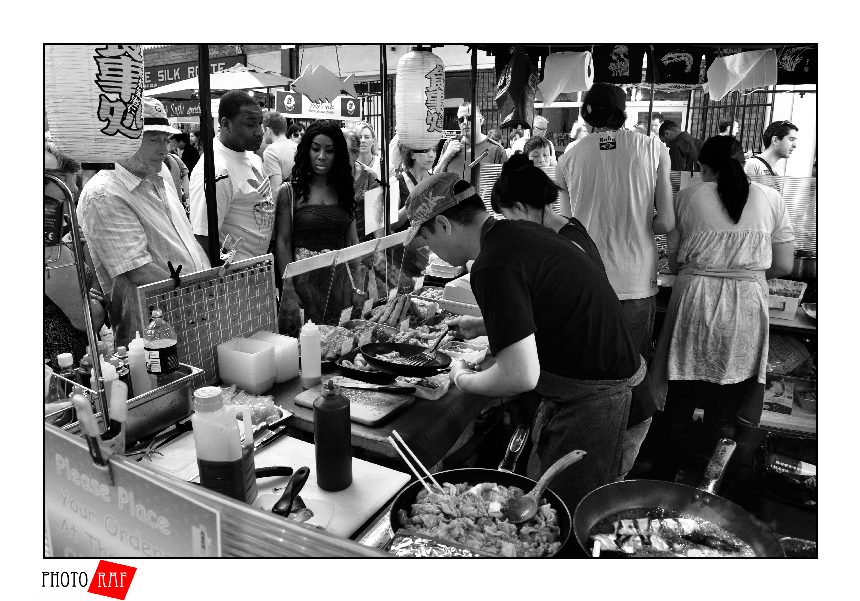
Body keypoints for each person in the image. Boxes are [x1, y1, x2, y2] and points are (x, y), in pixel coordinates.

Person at [403, 172, 645, 513]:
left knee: (562, 519)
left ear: (443, 225)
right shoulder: (518, 233)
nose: (431, 250)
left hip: (601, 406)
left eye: (427, 239)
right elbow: (552, 305)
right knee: (544, 508)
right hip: (605, 389)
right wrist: (487, 324)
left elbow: (519, 376)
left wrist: (460, 377)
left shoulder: (492, 264)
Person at [648, 136, 795, 481]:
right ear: (743, 163)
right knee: (723, 413)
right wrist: (745, 274)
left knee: (678, 405)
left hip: (693, 302)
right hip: (746, 307)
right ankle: (710, 485)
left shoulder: (685, 198)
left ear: (702, 166)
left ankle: (663, 479)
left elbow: (673, 262)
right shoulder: (772, 198)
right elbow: (784, 265)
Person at [556, 82, 675, 471]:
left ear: (585, 115)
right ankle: (617, 469)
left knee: (588, 379)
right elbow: (665, 221)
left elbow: (566, 226)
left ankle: (581, 466)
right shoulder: (654, 149)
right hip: (635, 281)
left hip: (584, 282)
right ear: (624, 113)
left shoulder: (569, 158)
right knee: (630, 376)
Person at [77, 97, 209, 350]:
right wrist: (196, 290)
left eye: (165, 139)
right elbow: (138, 270)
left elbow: (183, 242)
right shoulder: (104, 193)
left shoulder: (159, 180)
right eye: (153, 140)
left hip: (190, 315)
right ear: (124, 140)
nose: (164, 149)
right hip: (151, 333)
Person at [274, 120, 361, 336]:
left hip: (339, 281)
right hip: (303, 283)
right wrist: (288, 287)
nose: (322, 156)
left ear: (337, 154)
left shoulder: (345, 190)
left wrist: (358, 282)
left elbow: (352, 240)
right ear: (306, 150)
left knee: (338, 339)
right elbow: (283, 242)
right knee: (307, 342)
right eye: (315, 149)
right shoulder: (289, 192)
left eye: (329, 150)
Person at [189, 90, 274, 263]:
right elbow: (202, 239)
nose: (260, 132)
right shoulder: (215, 170)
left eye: (260, 123)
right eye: (250, 124)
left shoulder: (252, 157)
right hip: (236, 274)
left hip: (260, 267)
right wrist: (224, 275)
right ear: (226, 125)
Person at [44, 142, 106, 369]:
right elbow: (88, 319)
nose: (76, 188)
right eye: (68, 178)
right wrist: (96, 300)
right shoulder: (48, 245)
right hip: (63, 363)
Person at [491, 154, 604, 272]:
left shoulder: (564, 246)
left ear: (519, 207)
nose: (509, 223)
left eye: (506, 216)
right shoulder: (564, 228)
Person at [435, 102, 507, 185]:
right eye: (461, 119)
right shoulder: (450, 144)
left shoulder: (496, 150)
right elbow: (434, 182)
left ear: (481, 120)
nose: (465, 122)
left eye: (470, 118)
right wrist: (446, 156)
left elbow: (504, 187)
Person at [342, 128, 380, 241]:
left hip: (364, 243)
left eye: (354, 150)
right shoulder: (326, 175)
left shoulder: (369, 176)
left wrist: (380, 249)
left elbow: (376, 221)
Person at [262, 110, 295, 192]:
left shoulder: (271, 152)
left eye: (263, 130)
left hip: (285, 198)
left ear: (268, 130)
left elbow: (276, 188)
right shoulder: (297, 147)